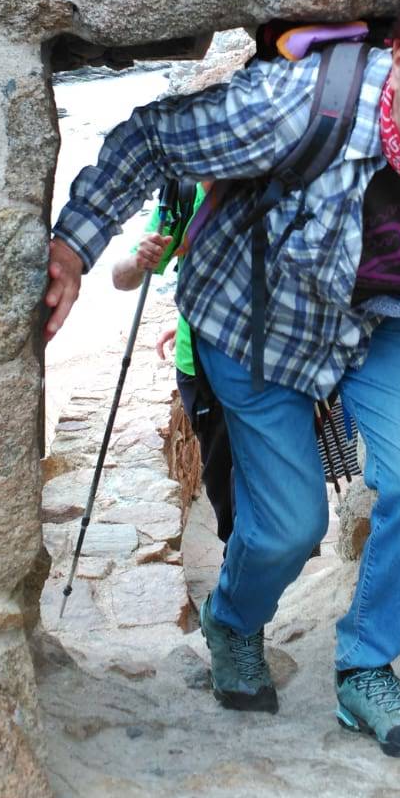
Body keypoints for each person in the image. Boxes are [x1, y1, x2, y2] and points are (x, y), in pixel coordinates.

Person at [47, 0, 400, 757]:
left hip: (382, 322)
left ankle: (367, 667)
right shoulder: (297, 106)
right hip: (254, 321)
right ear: (399, 60)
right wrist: (73, 248)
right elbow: (153, 141)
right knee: (289, 526)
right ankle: (233, 621)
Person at [111, 190, 236, 543]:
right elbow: (122, 278)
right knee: (227, 490)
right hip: (202, 371)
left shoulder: (274, 177)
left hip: (268, 366)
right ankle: (238, 569)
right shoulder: (182, 193)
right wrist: (140, 260)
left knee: (271, 492)